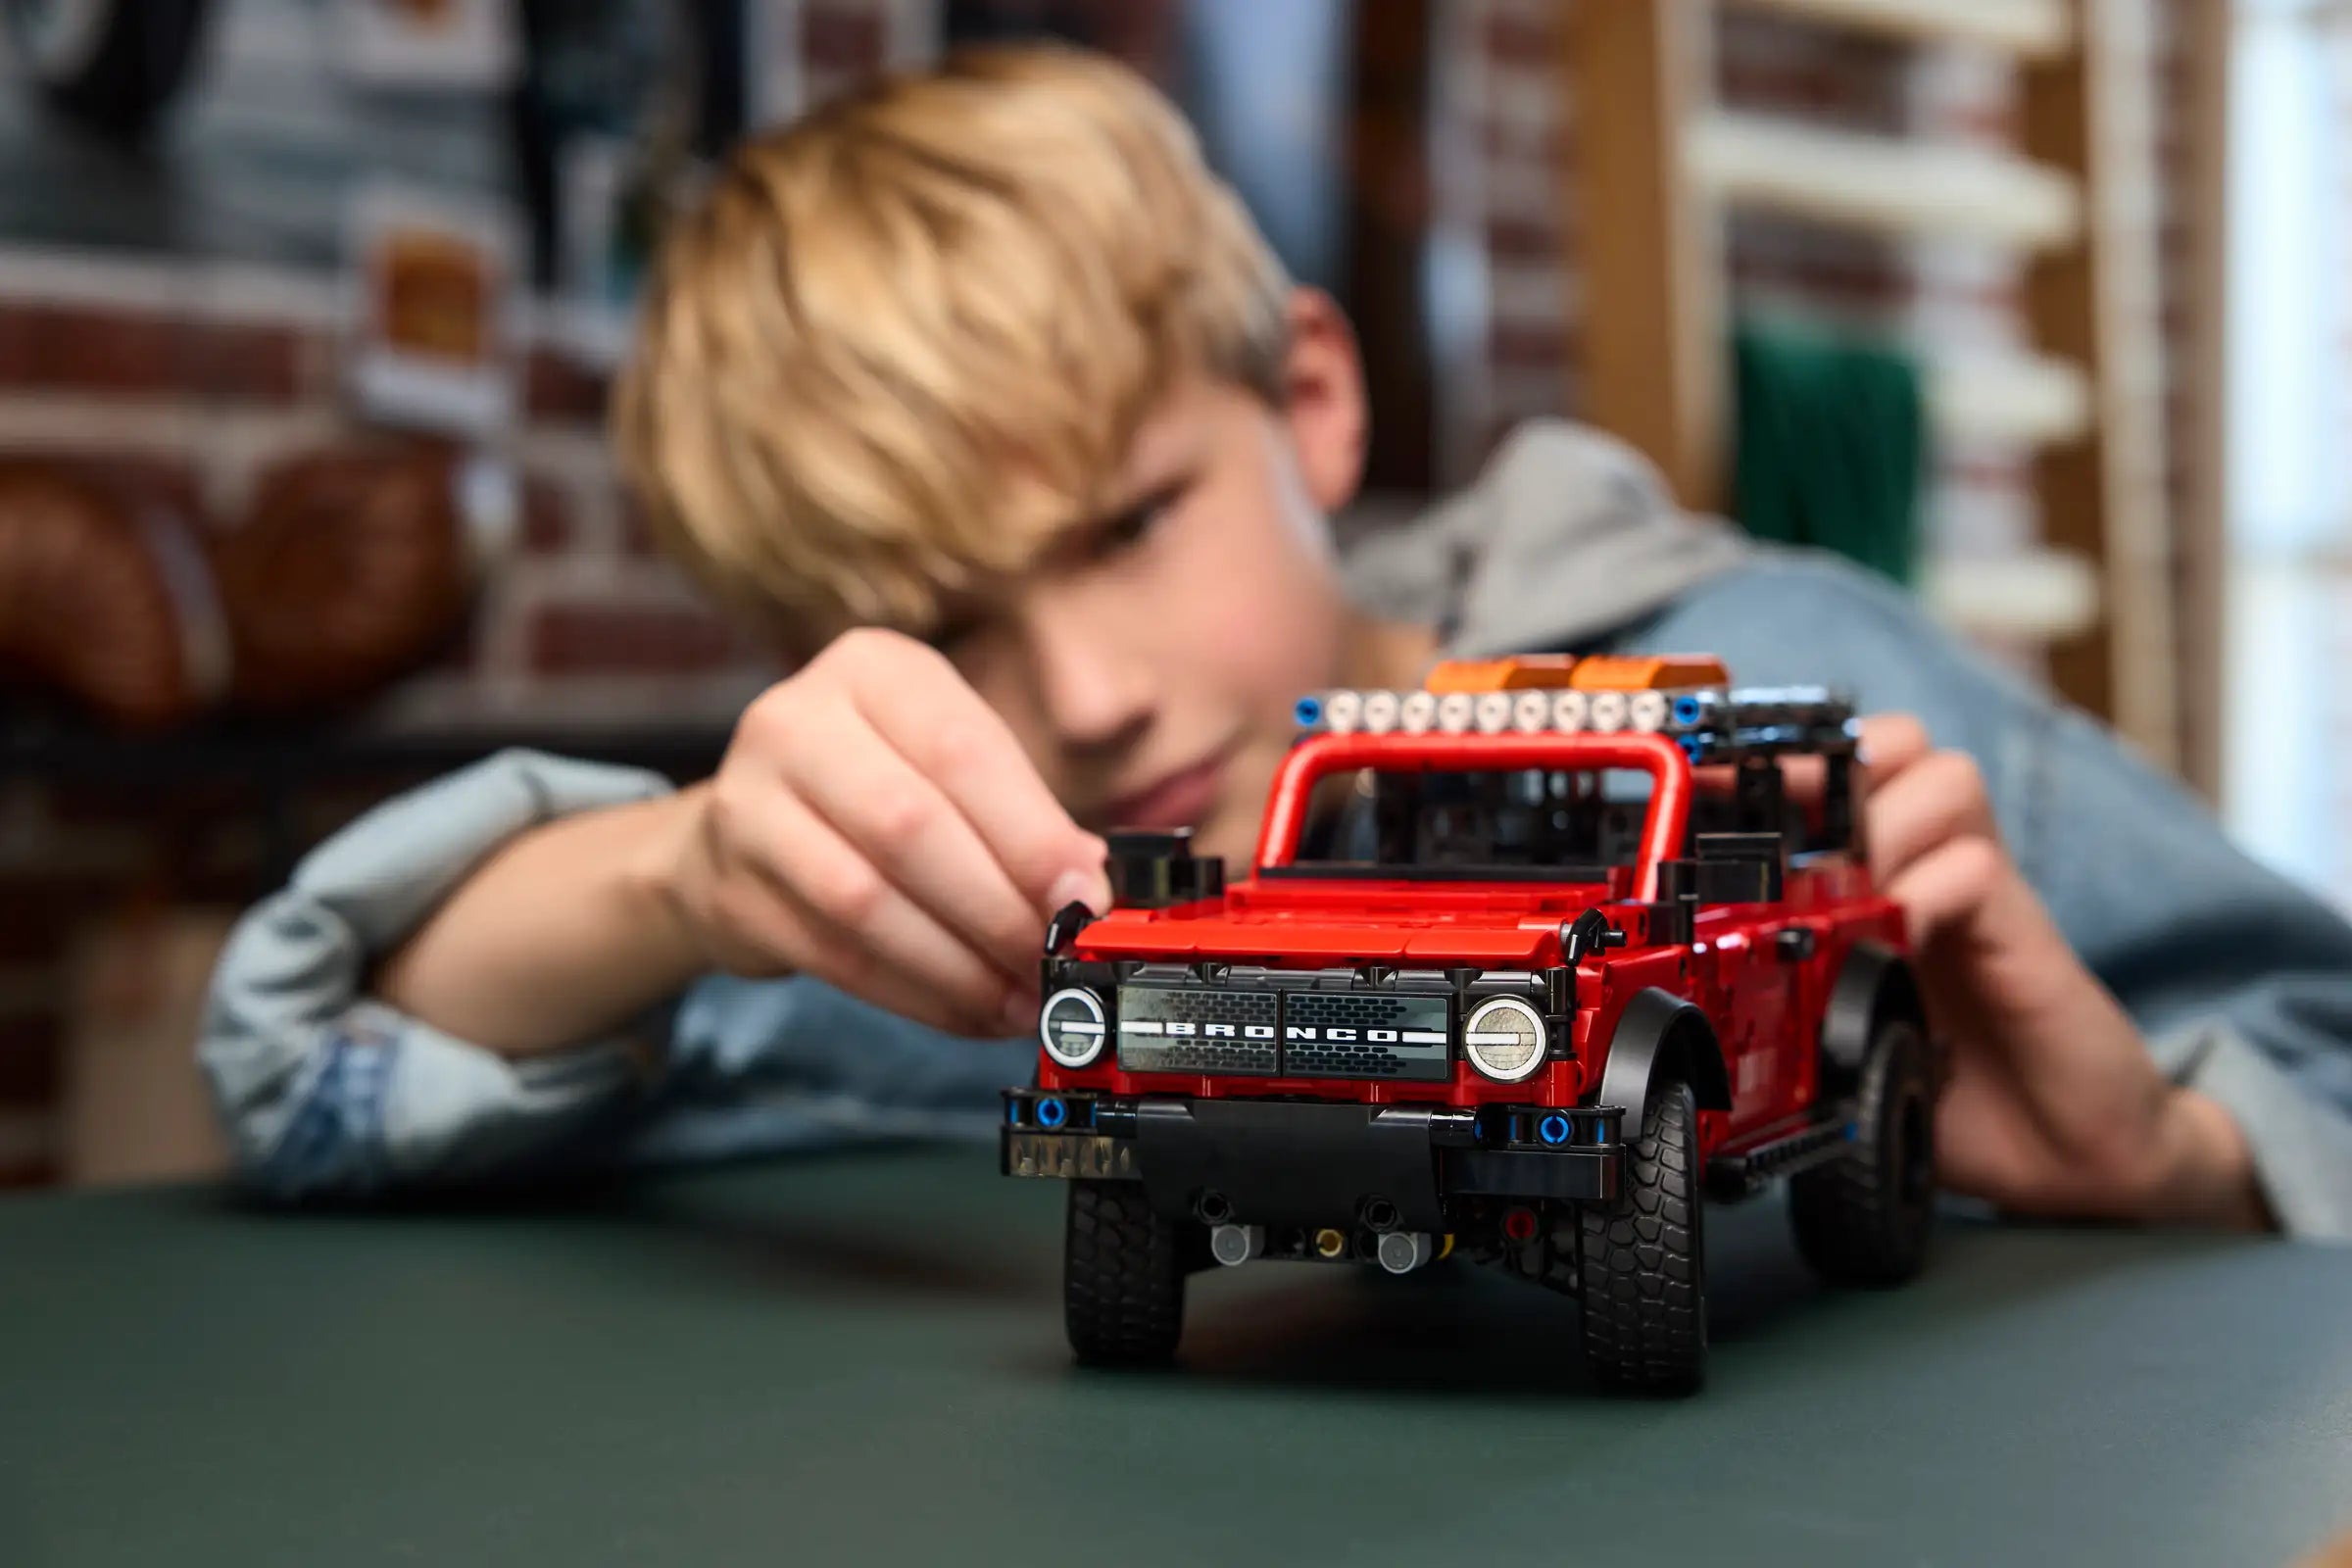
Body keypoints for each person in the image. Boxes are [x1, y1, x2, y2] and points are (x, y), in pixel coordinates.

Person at [200, 45, 2352, 1236]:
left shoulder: (1779, 675)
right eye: (944, 620)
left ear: (1314, 397)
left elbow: (2311, 1038)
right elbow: (300, 1075)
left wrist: (2168, 1161)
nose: (1091, 690)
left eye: (1131, 522)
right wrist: (679, 875)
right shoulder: (922, 921)